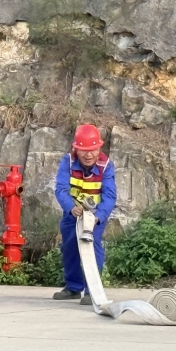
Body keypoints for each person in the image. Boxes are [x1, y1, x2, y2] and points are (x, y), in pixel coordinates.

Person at [53, 124, 117, 304]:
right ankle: (73, 287)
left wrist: (99, 217)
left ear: (99, 149)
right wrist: (71, 208)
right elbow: (61, 189)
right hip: (72, 212)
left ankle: (92, 291)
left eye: (93, 150)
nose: (89, 155)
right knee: (69, 247)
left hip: (95, 215)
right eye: (84, 150)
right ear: (76, 149)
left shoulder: (106, 166)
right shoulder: (68, 162)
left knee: (92, 247)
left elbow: (110, 196)